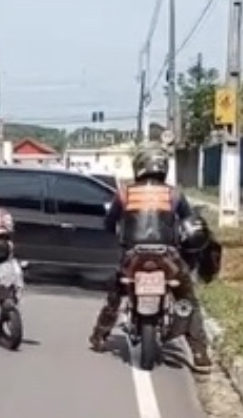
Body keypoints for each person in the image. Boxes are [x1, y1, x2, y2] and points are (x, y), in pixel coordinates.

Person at [88, 143, 212, 373]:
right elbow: (189, 222)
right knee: (187, 299)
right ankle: (199, 354)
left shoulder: (124, 193)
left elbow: (108, 223)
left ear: (139, 167)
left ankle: (99, 336)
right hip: (168, 257)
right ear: (162, 168)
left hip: (133, 257)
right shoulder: (174, 194)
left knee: (116, 293)